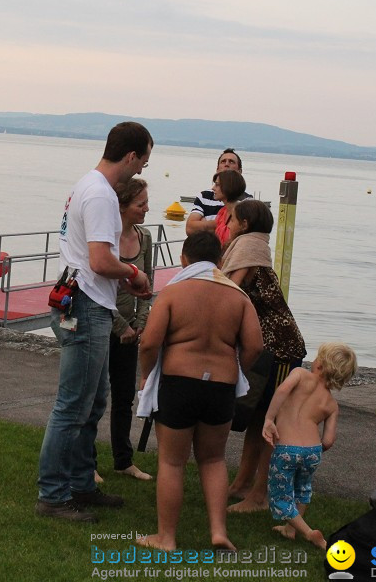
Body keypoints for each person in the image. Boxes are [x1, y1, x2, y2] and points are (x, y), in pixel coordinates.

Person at [35, 121, 153, 524]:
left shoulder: (85, 183)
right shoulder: (102, 195)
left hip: (79, 299)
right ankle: (53, 493)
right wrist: (135, 275)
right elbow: (102, 261)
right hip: (86, 304)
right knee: (72, 406)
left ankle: (82, 483)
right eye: (143, 162)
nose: (142, 171)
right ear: (132, 155)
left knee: (93, 401)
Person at [136, 232, 263, 552]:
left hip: (179, 383)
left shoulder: (174, 291)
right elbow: (255, 345)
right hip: (220, 386)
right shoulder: (238, 297)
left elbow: (150, 342)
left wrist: (145, 376)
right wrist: (234, 370)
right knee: (214, 459)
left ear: (183, 259)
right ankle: (218, 531)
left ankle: (166, 537)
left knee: (173, 462)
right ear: (221, 261)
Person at [219, 199, 307, 513]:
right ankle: (243, 483)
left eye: (231, 220)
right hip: (265, 346)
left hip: (282, 350)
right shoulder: (251, 245)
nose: (227, 225)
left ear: (244, 224)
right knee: (257, 417)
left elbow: (230, 287)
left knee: (271, 422)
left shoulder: (249, 249)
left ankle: (259, 496)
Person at [262, 342, 357, 550]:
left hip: (287, 448)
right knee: (302, 488)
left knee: (280, 495)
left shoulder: (299, 374)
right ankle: (290, 529)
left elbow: (281, 390)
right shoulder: (331, 404)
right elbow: (329, 440)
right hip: (313, 451)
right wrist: (315, 450)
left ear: (320, 365)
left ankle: (308, 532)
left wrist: (269, 419)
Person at [100, 178, 155, 481]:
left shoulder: (144, 237)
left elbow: (147, 284)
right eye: (141, 204)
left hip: (131, 331)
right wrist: (120, 325)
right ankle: (88, 462)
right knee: (94, 397)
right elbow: (95, 287)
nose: (147, 208)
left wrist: (142, 323)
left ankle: (124, 460)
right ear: (122, 206)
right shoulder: (104, 239)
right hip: (101, 324)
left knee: (124, 398)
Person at [186, 148, 250, 235]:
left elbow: (240, 232)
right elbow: (190, 228)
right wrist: (222, 225)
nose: (227, 164)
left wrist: (205, 224)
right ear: (217, 169)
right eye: (223, 161)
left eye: (231, 162)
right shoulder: (205, 196)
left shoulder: (247, 201)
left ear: (240, 171)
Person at [211, 169, 247, 247]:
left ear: (227, 187)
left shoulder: (240, 214)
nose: (213, 188)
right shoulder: (222, 212)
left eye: (217, 185)